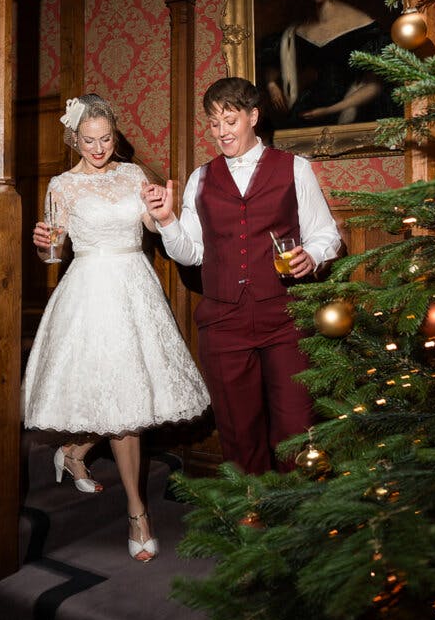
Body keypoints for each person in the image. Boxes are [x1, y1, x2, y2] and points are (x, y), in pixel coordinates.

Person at [22, 93, 210, 563]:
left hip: (135, 290)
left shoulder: (132, 174)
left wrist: (162, 209)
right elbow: (55, 248)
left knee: (128, 394)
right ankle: (136, 511)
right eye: (89, 140)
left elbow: (150, 222)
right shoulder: (61, 185)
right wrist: (43, 240)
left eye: (106, 139)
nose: (99, 148)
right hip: (88, 292)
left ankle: (75, 454)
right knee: (114, 396)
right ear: (74, 139)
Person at [141, 77, 342, 475]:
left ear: (253, 116)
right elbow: (192, 253)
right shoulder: (201, 178)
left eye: (229, 120)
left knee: (296, 426)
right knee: (238, 431)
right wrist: (166, 221)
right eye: (214, 124)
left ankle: (297, 520)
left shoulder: (295, 169)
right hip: (224, 322)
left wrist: (312, 255)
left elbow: (327, 235)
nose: (221, 132)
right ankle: (249, 518)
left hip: (286, 318)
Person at [259, 0, 395, 130]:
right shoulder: (295, 31)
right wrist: (272, 85)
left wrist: (329, 110)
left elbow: (374, 86)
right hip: (305, 117)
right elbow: (274, 60)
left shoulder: (363, 26)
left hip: (349, 114)